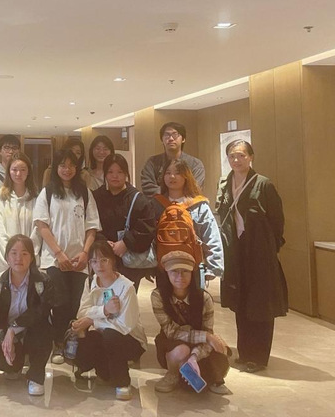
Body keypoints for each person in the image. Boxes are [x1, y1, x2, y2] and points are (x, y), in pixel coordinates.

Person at [215, 139, 287, 373]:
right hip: (235, 252)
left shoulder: (263, 184)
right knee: (241, 301)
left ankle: (258, 356)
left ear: (251, 157)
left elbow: (277, 221)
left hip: (259, 253)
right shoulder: (225, 183)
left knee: (260, 303)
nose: (236, 160)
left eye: (241, 155)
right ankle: (244, 352)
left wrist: (268, 247)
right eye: (232, 156)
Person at [33, 148, 100, 364]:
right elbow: (42, 226)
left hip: (80, 259)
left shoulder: (85, 193)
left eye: (71, 165)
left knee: (76, 304)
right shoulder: (47, 193)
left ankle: (73, 341)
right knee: (59, 302)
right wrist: (59, 253)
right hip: (54, 259)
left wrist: (85, 253)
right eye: (62, 165)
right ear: (56, 168)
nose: (67, 169)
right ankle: (58, 345)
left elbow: (91, 227)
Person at [70, 240, 147, 401]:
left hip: (130, 340)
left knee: (110, 335)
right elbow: (82, 312)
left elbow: (125, 325)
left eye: (104, 260)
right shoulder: (90, 281)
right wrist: (104, 311)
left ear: (112, 260)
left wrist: (93, 320)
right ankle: (104, 372)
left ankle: (123, 382)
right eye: (94, 261)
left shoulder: (126, 287)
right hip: (103, 334)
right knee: (84, 338)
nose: (99, 265)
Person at [152, 251, 231, 395]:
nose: (180, 276)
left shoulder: (204, 298)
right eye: (174, 271)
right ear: (167, 273)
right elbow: (171, 331)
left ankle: (210, 378)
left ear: (192, 274)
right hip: (171, 344)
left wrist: (195, 356)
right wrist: (205, 336)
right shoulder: (158, 296)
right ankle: (172, 374)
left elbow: (208, 331)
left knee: (219, 349)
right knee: (182, 350)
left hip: (197, 347)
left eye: (185, 271)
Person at [0, 235, 55, 397]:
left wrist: (14, 328)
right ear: (7, 257)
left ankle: (36, 376)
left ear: (31, 257)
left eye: (24, 253)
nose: (19, 258)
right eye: (14, 253)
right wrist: (3, 337)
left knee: (43, 332)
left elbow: (40, 311)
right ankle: (15, 366)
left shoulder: (42, 281)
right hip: (9, 335)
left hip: (33, 331)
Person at [93, 154, 156, 290]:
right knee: (104, 295)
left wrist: (126, 243)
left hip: (128, 262)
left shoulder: (138, 199)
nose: (115, 176)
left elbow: (147, 227)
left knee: (126, 295)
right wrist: (103, 243)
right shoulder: (96, 197)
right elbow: (91, 224)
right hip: (101, 258)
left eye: (120, 172)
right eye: (110, 172)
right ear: (105, 174)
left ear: (126, 174)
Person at [154, 159, 224, 280]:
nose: (172, 176)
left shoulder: (198, 205)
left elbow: (211, 236)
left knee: (193, 293)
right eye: (168, 173)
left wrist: (214, 267)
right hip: (164, 266)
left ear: (186, 176)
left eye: (177, 173)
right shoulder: (156, 204)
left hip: (192, 267)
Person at [0, 151, 40, 278]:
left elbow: (37, 230)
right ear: (8, 171)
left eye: (23, 170)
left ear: (28, 172)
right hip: (2, 262)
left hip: (28, 263)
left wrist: (26, 256)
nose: (18, 174)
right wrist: (10, 258)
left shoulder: (36, 198)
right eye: (14, 169)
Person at [140, 122, 205, 197]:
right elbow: (147, 187)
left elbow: (195, 189)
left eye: (175, 135)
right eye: (167, 135)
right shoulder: (152, 162)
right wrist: (171, 195)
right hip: (157, 203)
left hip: (187, 203)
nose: (171, 138)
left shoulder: (195, 164)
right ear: (162, 139)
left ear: (183, 139)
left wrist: (173, 194)